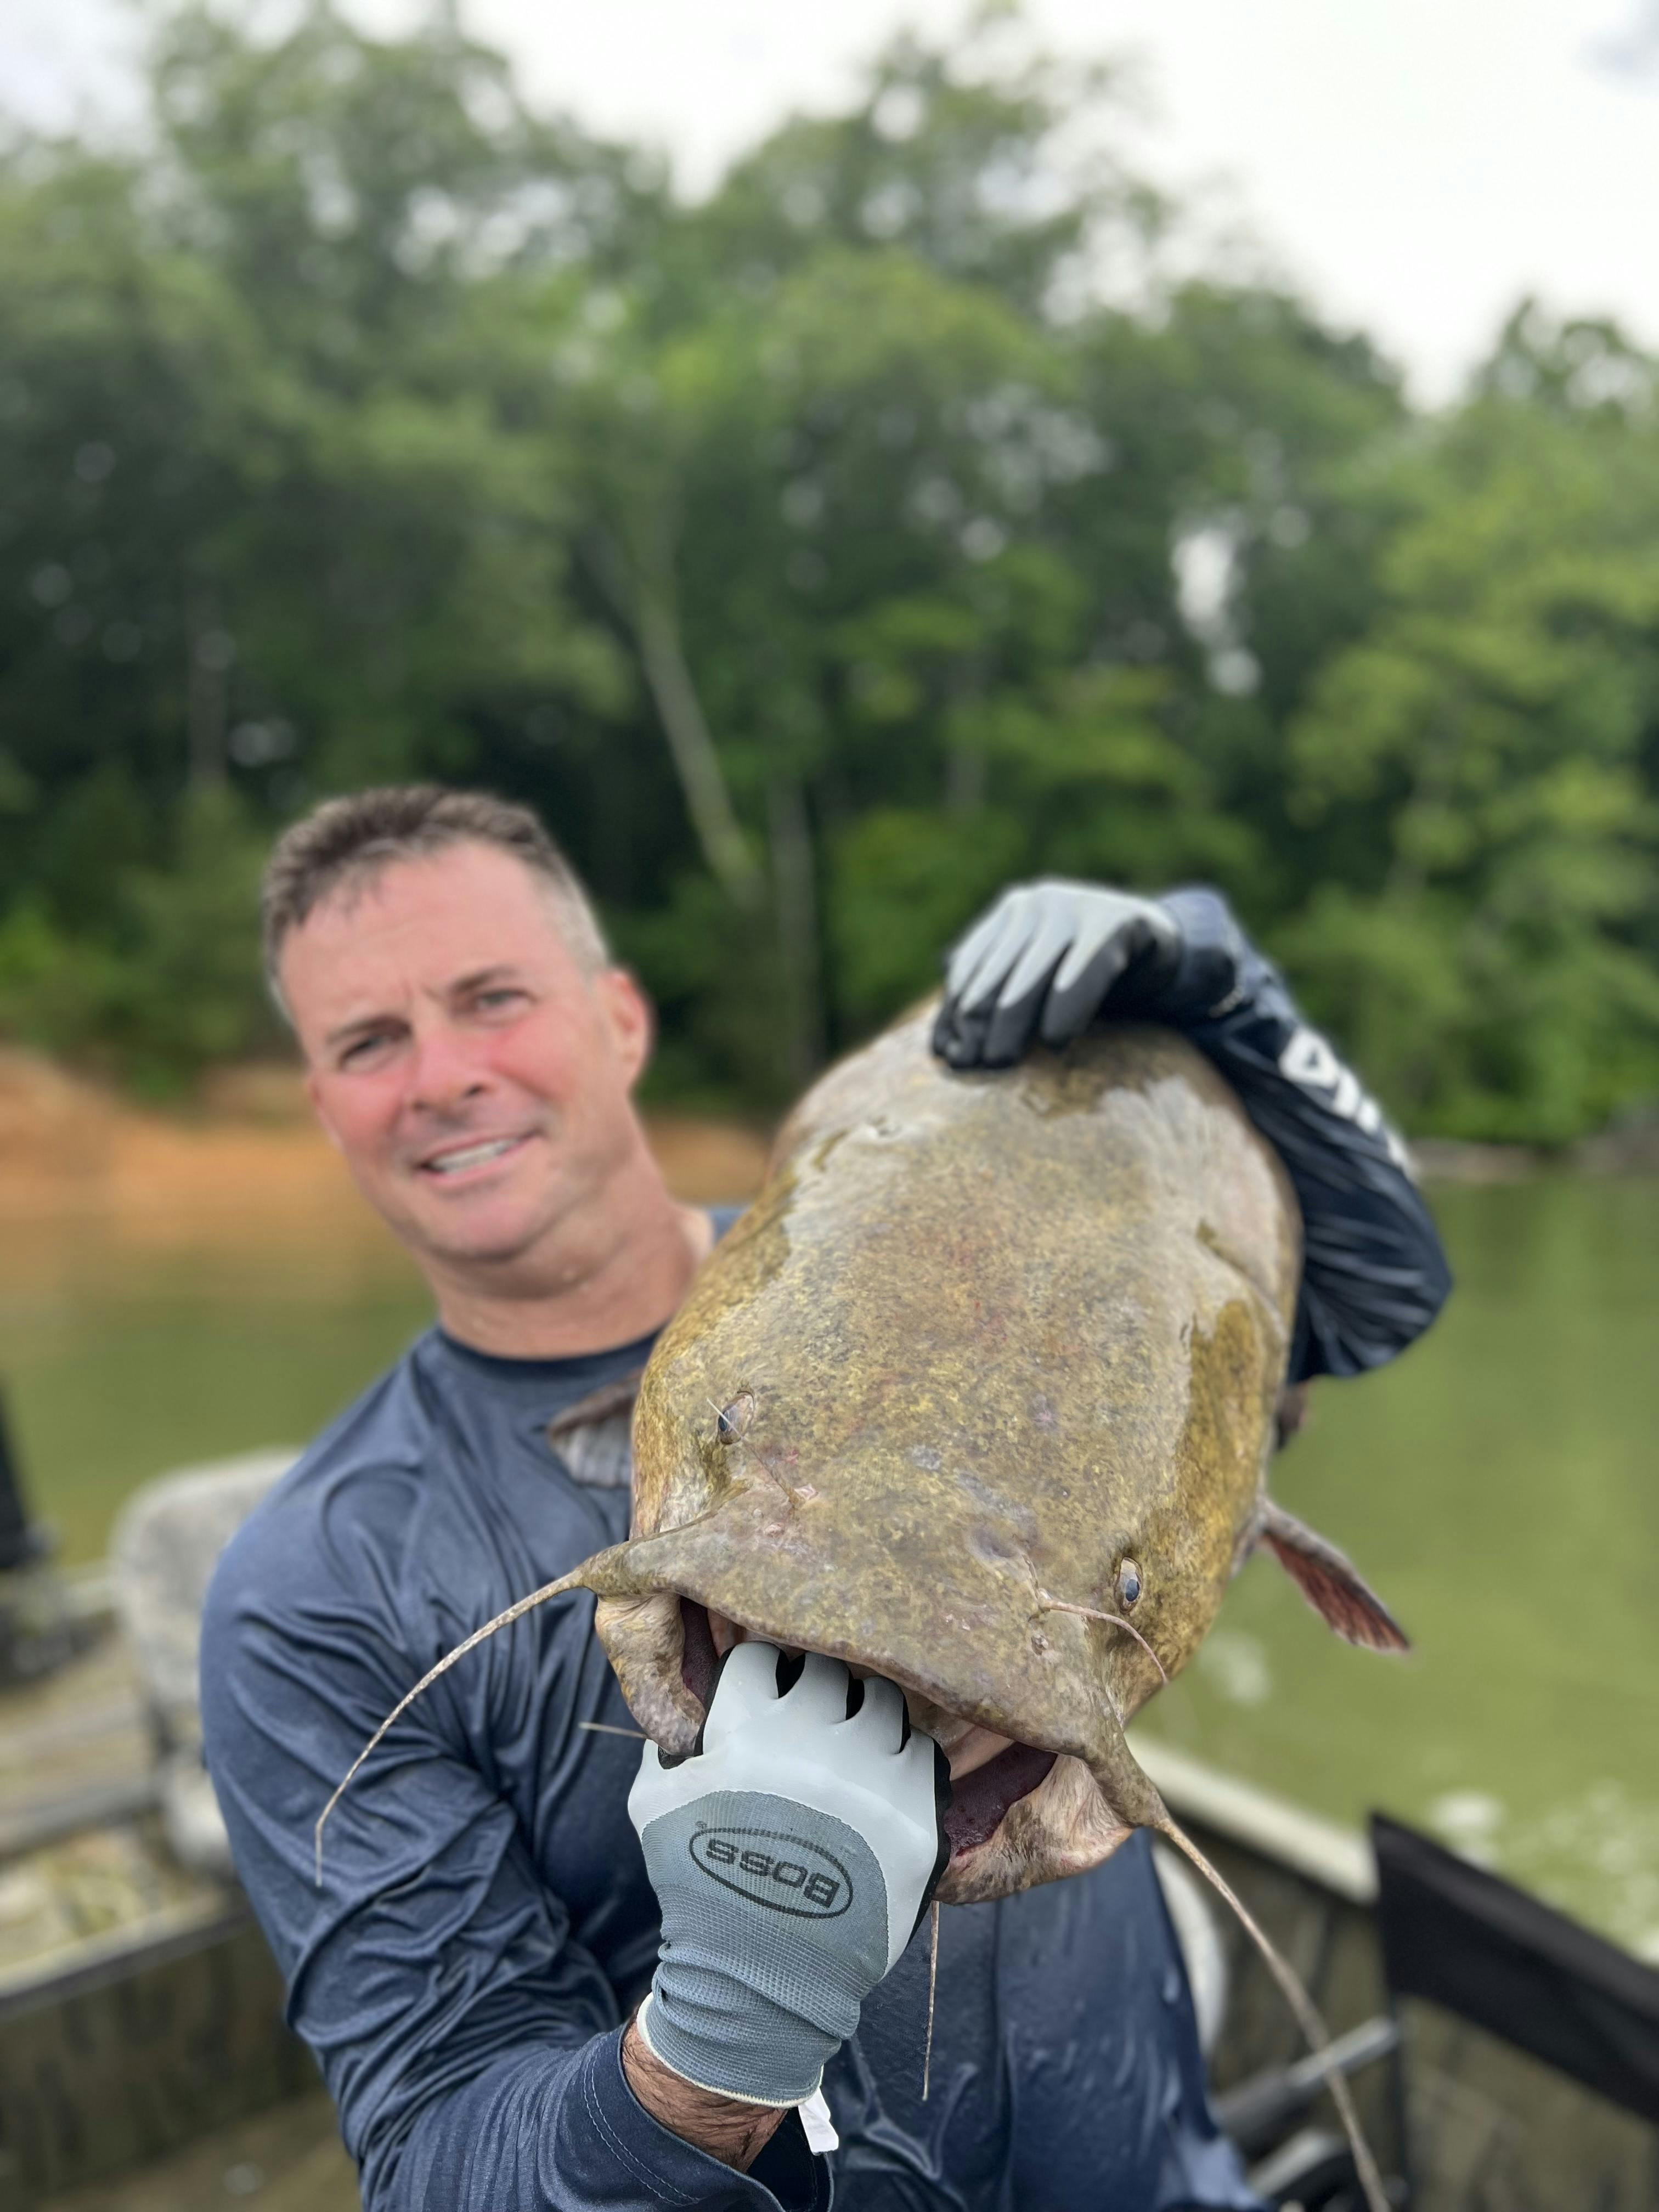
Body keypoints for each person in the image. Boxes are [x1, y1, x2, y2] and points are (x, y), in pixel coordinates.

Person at [201, 786, 1450, 2212]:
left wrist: (1224, 999)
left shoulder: (993, 1254)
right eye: (370, 1042)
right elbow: (437, 2161)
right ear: (322, 1104)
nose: (440, 1076)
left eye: (493, 998)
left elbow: (1377, 1287)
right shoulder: (312, 1596)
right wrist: (716, 2046)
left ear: (619, 1018)